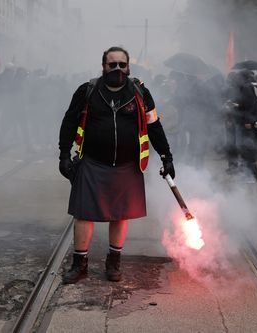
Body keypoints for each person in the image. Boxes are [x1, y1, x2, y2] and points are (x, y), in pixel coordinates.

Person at [58, 46, 175, 284]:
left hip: (127, 165)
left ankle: (114, 263)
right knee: (83, 214)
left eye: (122, 64)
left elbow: (154, 125)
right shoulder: (87, 90)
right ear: (104, 66)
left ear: (129, 66)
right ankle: (80, 264)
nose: (118, 69)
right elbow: (69, 121)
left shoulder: (141, 93)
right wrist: (63, 154)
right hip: (91, 161)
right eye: (113, 65)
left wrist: (166, 155)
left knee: (120, 215)